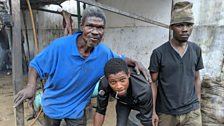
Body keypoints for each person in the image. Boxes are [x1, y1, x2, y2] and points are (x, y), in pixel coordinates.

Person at [13, 6, 150, 126]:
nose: (95, 32)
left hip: (77, 110)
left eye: (100, 27)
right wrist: (31, 86)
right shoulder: (60, 46)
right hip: (52, 106)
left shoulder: (103, 52)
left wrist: (136, 62)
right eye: (90, 26)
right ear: (82, 26)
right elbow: (36, 65)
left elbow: (120, 59)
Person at [149, 1, 204, 126]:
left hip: (192, 113)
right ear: (171, 27)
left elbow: (197, 78)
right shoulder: (159, 53)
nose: (185, 29)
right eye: (180, 25)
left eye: (189, 25)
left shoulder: (196, 50)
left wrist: (198, 103)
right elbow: (153, 83)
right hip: (166, 114)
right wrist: (153, 112)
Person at [94, 58, 152, 126]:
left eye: (122, 80)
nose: (118, 86)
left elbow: (146, 120)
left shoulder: (142, 89)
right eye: (113, 82)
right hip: (123, 103)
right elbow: (100, 111)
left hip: (141, 103)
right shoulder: (104, 84)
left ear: (128, 74)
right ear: (107, 79)